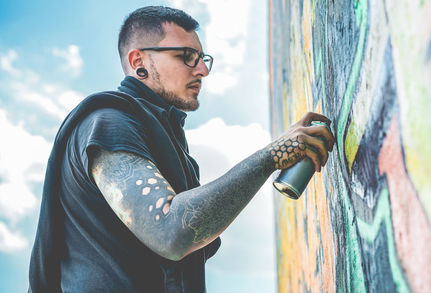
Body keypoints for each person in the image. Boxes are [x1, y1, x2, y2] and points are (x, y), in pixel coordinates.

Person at [28, 5, 334, 293]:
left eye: (202, 58)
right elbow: (170, 231)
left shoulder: (171, 146)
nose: (202, 69)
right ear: (139, 63)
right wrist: (272, 156)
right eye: (186, 56)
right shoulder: (109, 122)